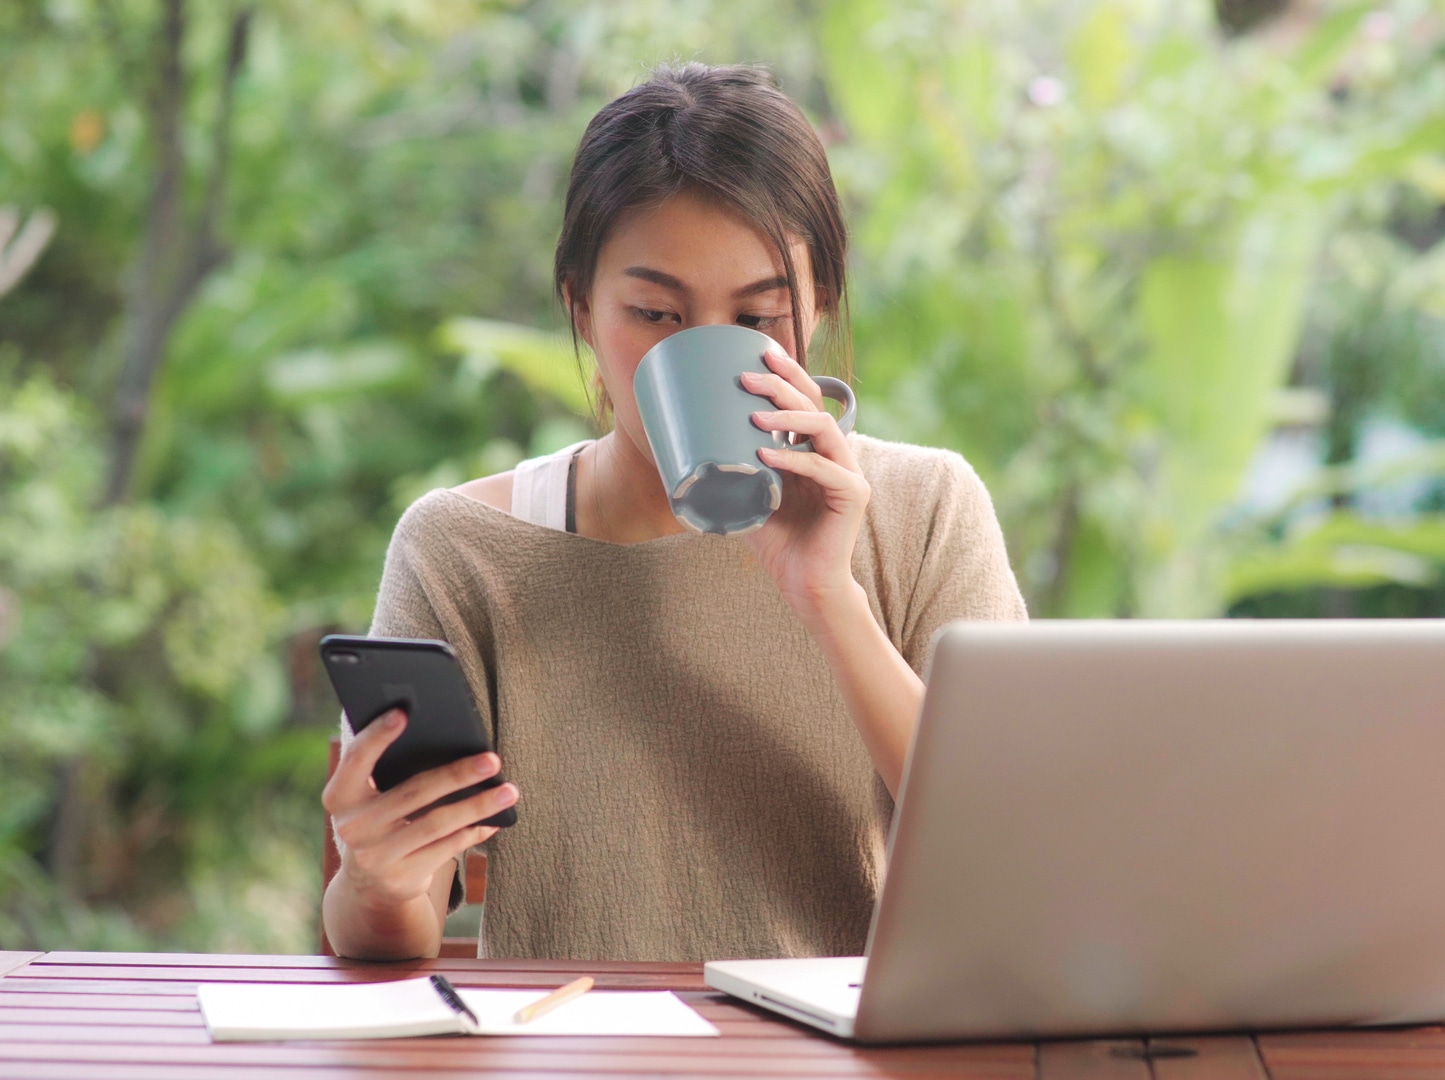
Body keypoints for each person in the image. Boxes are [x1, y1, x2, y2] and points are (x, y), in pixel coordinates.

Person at [321, 64, 1026, 963]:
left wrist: (828, 595)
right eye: (655, 312)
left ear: (820, 306)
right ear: (579, 308)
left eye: (761, 315)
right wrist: (376, 881)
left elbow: (1006, 851)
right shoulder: (466, 550)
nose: (704, 356)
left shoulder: (926, 512)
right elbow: (389, 927)